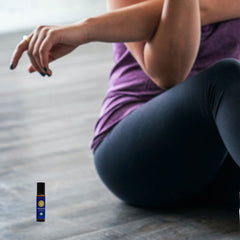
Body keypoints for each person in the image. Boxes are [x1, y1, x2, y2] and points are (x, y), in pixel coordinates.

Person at [10, 0, 240, 210]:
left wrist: (84, 30)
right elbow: (170, 74)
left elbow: (206, 8)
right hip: (136, 154)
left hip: (217, 153)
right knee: (225, 79)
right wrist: (86, 29)